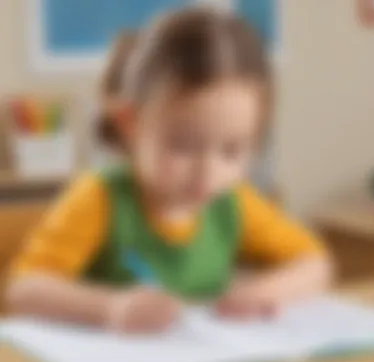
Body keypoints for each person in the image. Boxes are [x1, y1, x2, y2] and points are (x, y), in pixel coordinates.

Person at [5, 9, 331, 333]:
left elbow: (314, 263)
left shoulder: (233, 203)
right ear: (130, 124)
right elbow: (24, 291)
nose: (208, 172)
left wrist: (261, 293)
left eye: (232, 151)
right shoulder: (100, 197)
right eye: (183, 146)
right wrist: (109, 308)